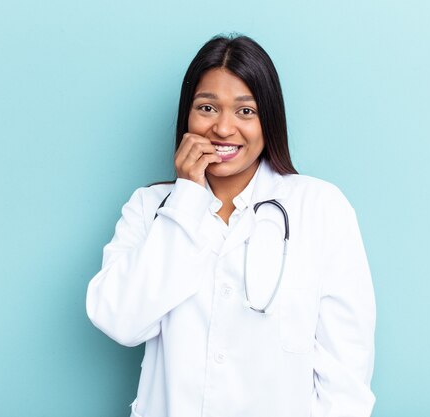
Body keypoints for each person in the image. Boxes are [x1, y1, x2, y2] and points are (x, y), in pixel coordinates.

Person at [86, 34, 376, 417]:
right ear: (187, 116)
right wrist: (187, 199)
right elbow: (121, 321)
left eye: (245, 111)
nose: (223, 129)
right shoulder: (150, 208)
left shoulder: (320, 207)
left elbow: (346, 370)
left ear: (269, 119)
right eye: (207, 108)